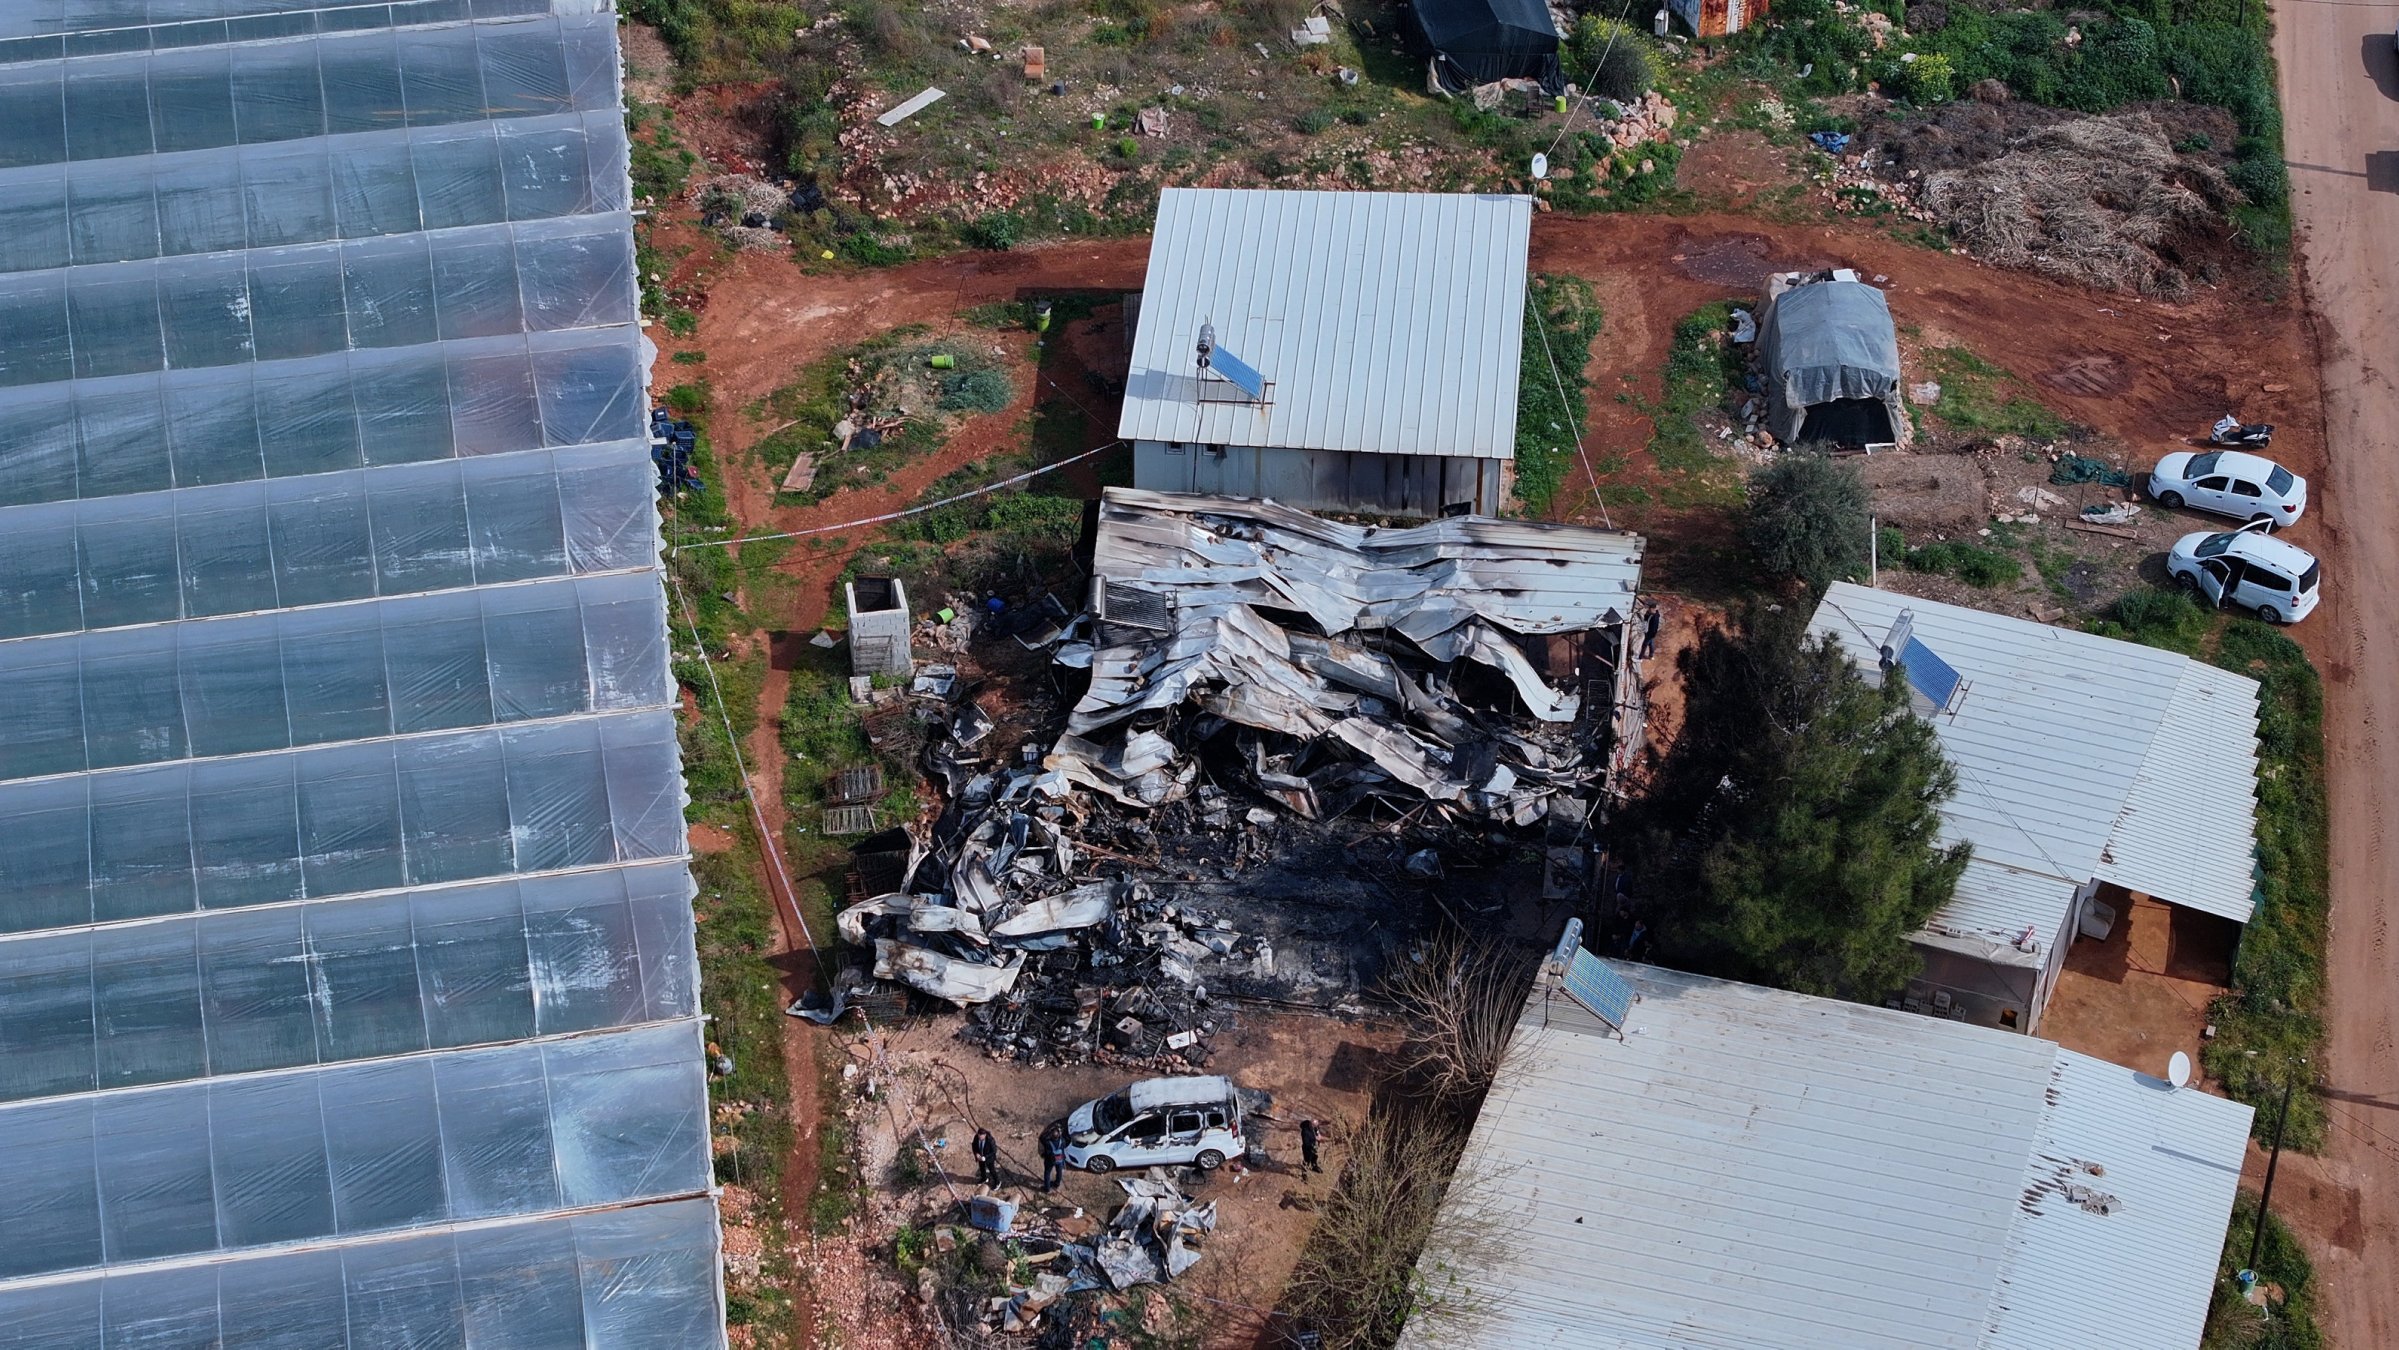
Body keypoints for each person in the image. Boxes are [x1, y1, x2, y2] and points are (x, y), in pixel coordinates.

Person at [1040, 1121, 1068, 1192]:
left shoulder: (1047, 1142)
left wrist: (1048, 1131)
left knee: (1047, 1173)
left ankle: (1047, 1188)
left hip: (1050, 1160)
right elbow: (1064, 1146)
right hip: (1060, 1159)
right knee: (1059, 1172)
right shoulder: (1062, 1141)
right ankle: (1057, 1184)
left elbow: (1041, 1137)